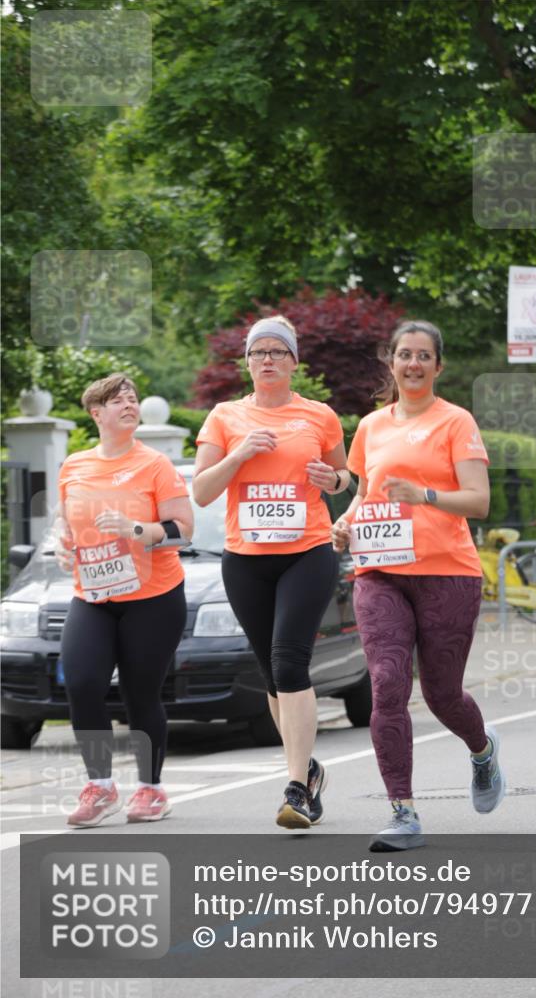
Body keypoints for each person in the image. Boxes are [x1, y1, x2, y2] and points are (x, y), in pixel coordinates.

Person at [331, 319, 505, 851]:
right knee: (386, 685)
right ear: (392, 362)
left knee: (442, 694)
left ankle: (481, 750)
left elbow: (478, 501)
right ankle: (402, 811)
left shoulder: (455, 422)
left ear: (437, 365)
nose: (412, 364)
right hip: (380, 571)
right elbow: (365, 493)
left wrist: (424, 496)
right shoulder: (370, 427)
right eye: (404, 354)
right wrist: (346, 521)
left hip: (447, 572)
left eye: (423, 356)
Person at [193, 315, 349, 829]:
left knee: (288, 663)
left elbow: (345, 476)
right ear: (247, 361)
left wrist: (335, 478)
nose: (267, 360)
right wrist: (239, 453)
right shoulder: (224, 416)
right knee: (270, 674)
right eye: (258, 352)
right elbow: (202, 492)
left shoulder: (319, 415)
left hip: (307, 551)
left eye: (277, 352)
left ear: (293, 362)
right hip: (246, 560)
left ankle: (296, 788)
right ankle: (306, 771)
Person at [56, 374, 193, 826]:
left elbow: (182, 530)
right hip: (92, 594)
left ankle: (151, 790)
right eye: (118, 400)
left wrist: (138, 531)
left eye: (133, 397)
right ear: (97, 413)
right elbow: (67, 524)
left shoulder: (155, 465)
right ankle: (100, 786)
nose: (129, 403)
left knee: (140, 693)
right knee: (81, 682)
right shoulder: (73, 465)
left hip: (153, 597)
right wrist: (62, 545)